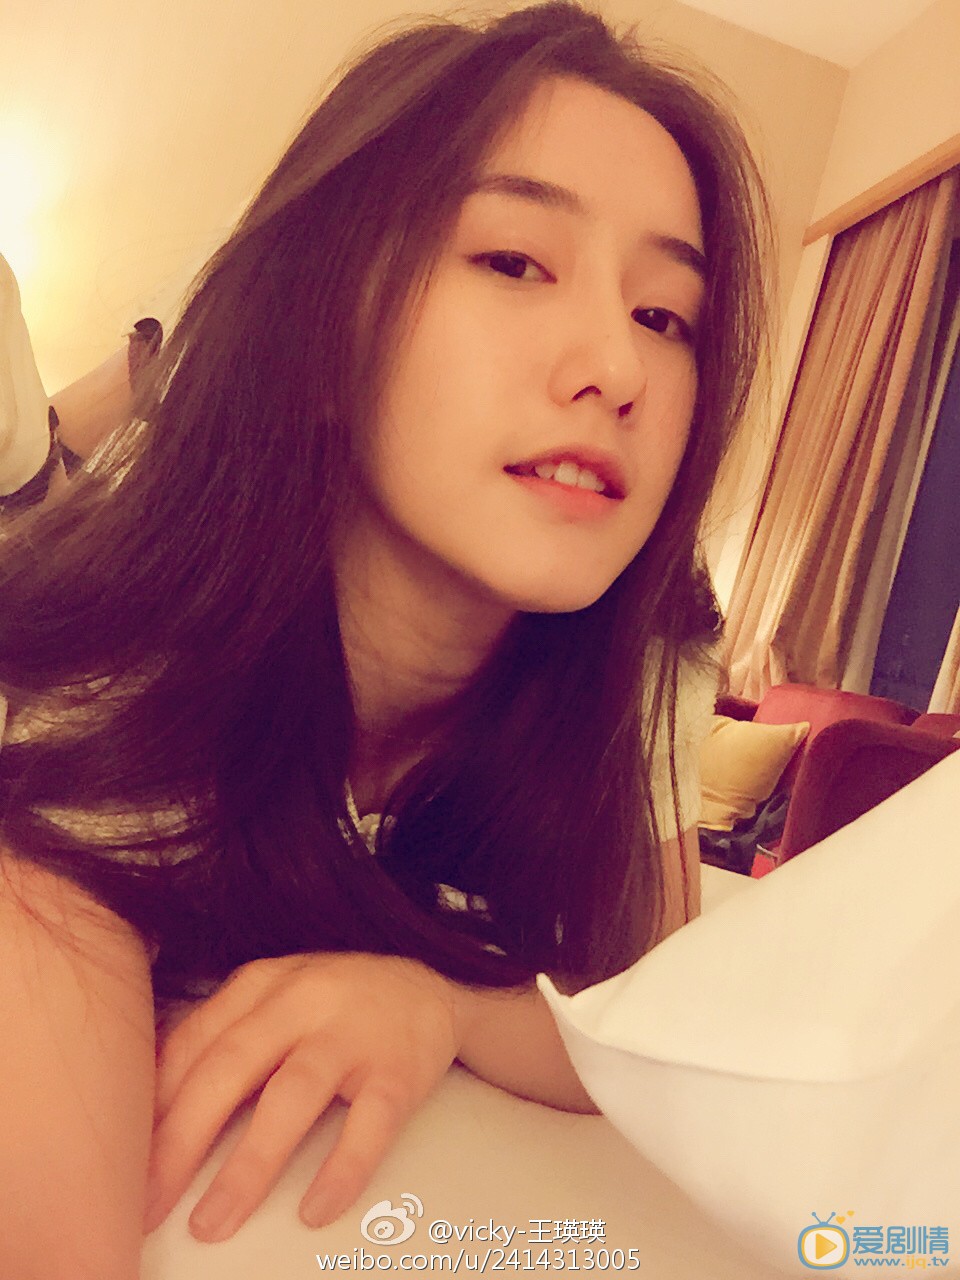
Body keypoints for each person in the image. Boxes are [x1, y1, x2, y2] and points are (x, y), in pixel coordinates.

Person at [0, 2, 770, 1275]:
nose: (617, 367)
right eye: (514, 261)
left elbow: (652, 1008)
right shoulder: (109, 682)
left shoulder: (646, 645)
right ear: (321, 320)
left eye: (665, 316)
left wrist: (446, 1004)